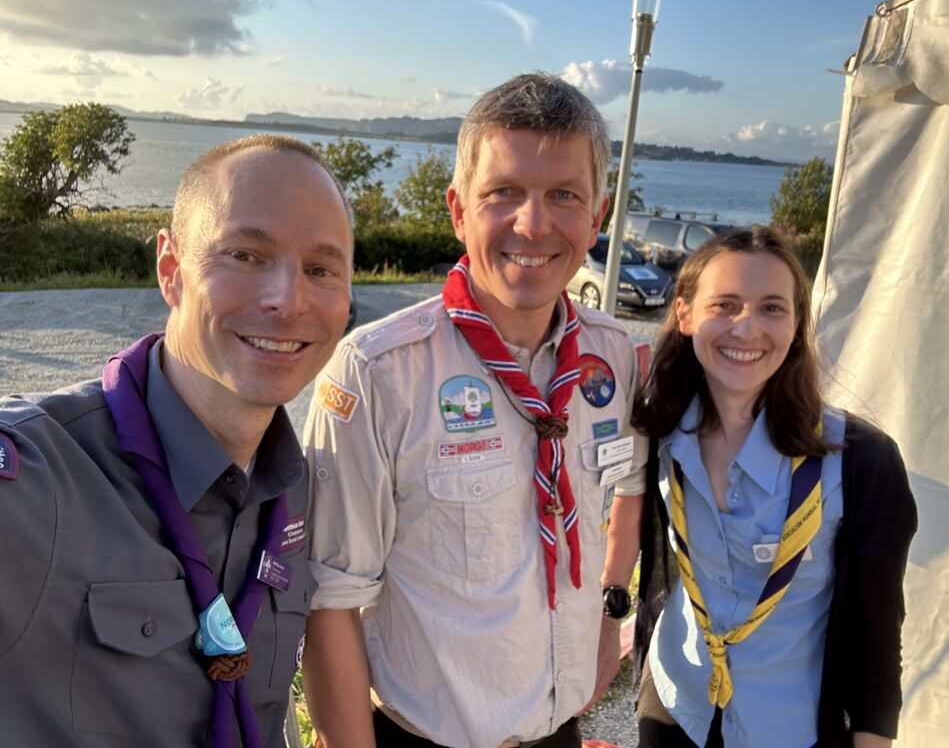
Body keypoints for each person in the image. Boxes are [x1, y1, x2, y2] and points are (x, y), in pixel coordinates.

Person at [302, 72, 647, 748]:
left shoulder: (616, 359)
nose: (534, 224)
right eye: (505, 193)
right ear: (458, 210)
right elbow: (330, 600)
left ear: (597, 217)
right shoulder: (377, 373)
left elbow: (629, 486)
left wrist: (611, 610)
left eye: (564, 196)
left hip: (559, 732)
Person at [0, 134, 353, 747]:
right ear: (171, 269)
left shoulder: (297, 495)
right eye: (245, 255)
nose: (287, 299)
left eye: (321, 269)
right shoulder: (38, 477)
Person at [609, 227, 916, 748]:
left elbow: (876, 638)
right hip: (676, 708)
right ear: (685, 315)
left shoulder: (861, 461)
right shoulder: (656, 430)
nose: (747, 328)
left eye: (772, 308)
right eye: (725, 304)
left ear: (797, 324)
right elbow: (616, 502)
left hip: (789, 729)